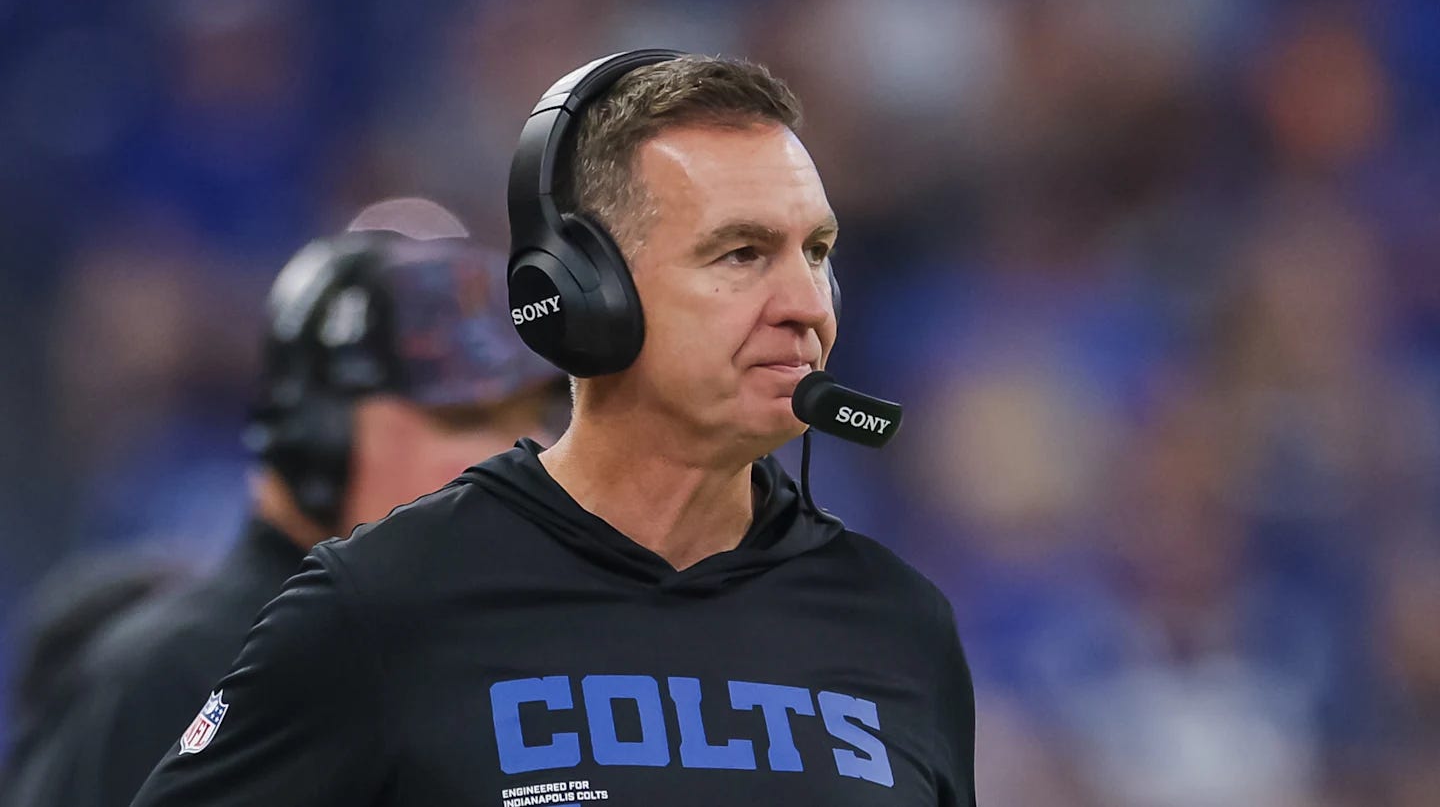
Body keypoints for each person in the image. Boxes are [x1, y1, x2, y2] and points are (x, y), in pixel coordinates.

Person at [131, 53, 977, 806]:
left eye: (817, 252)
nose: (805, 305)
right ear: (585, 295)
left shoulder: (901, 627)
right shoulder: (383, 607)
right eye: (741, 254)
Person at [0, 198, 567, 807]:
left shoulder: (499, 665)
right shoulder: (172, 677)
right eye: (465, 419)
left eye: (537, 417)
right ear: (317, 440)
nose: (524, 452)